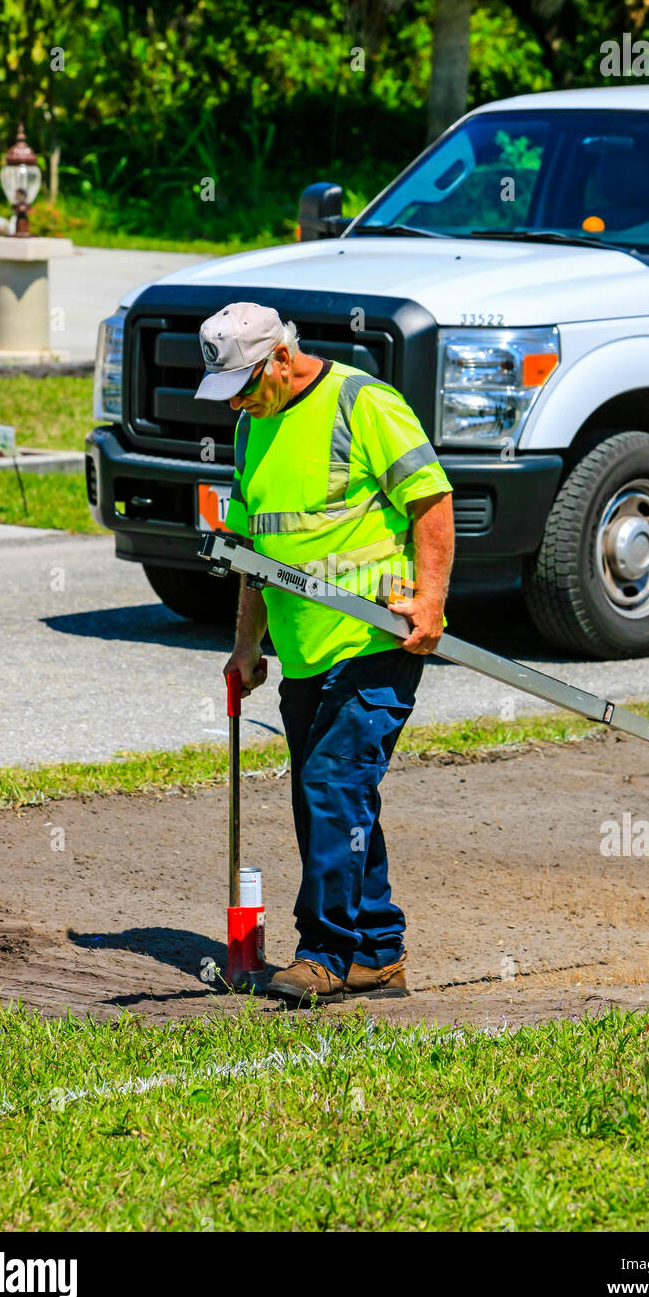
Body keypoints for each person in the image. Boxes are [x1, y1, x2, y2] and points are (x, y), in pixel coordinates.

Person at [194, 301, 454, 1002]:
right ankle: (377, 950)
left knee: (332, 788)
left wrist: (430, 602)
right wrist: (247, 646)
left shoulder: (361, 402)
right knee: (331, 802)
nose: (240, 402)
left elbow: (431, 500)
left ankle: (327, 953)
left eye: (247, 384)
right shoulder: (253, 429)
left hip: (374, 638)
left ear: (281, 355)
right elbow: (254, 550)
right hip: (306, 652)